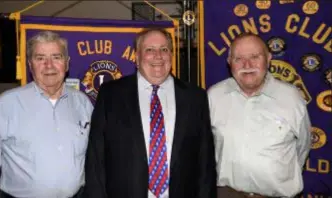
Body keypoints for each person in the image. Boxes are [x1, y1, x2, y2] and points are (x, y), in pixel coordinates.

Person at [84, 28, 216, 198]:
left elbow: (205, 162)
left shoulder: (195, 97)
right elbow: (96, 158)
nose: (158, 56)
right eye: (150, 50)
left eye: (164, 49)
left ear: (171, 55)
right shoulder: (111, 95)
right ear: (137, 58)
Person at [0, 31, 93, 198]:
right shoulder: (6, 104)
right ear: (30, 64)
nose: (49, 65)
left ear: (67, 64)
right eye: (40, 58)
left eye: (56, 57)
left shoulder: (83, 103)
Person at [207, 33, 311, 198]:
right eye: (238, 58)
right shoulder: (214, 96)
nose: (247, 64)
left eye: (255, 56)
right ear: (229, 62)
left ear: (268, 58)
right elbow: (206, 149)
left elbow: (303, 147)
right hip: (226, 194)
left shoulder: (291, 98)